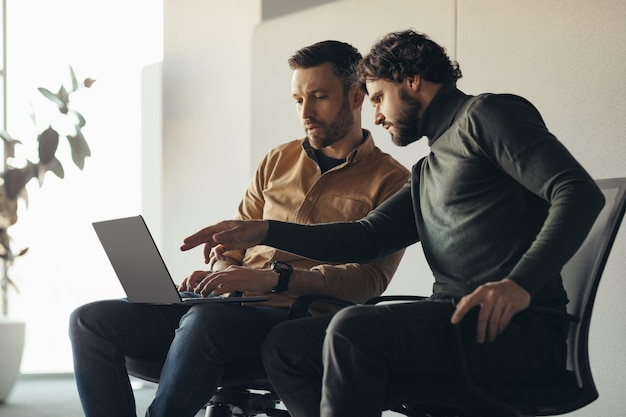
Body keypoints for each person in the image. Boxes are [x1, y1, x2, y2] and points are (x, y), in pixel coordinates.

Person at [180, 29, 606, 417]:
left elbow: (578, 192)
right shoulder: (429, 169)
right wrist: (265, 230)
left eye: (379, 97)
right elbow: (366, 238)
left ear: (412, 80)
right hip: (455, 322)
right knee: (288, 346)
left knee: (352, 329)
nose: (377, 115)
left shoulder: (487, 115)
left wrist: (519, 284)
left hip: (515, 332)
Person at [69, 40, 409, 417]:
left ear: (357, 96)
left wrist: (275, 279)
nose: (306, 112)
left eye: (319, 97)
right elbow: (230, 245)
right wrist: (219, 275)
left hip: (296, 318)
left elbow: (368, 280)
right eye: (298, 100)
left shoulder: (392, 181)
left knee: (205, 322)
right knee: (90, 320)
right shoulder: (278, 160)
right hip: (224, 306)